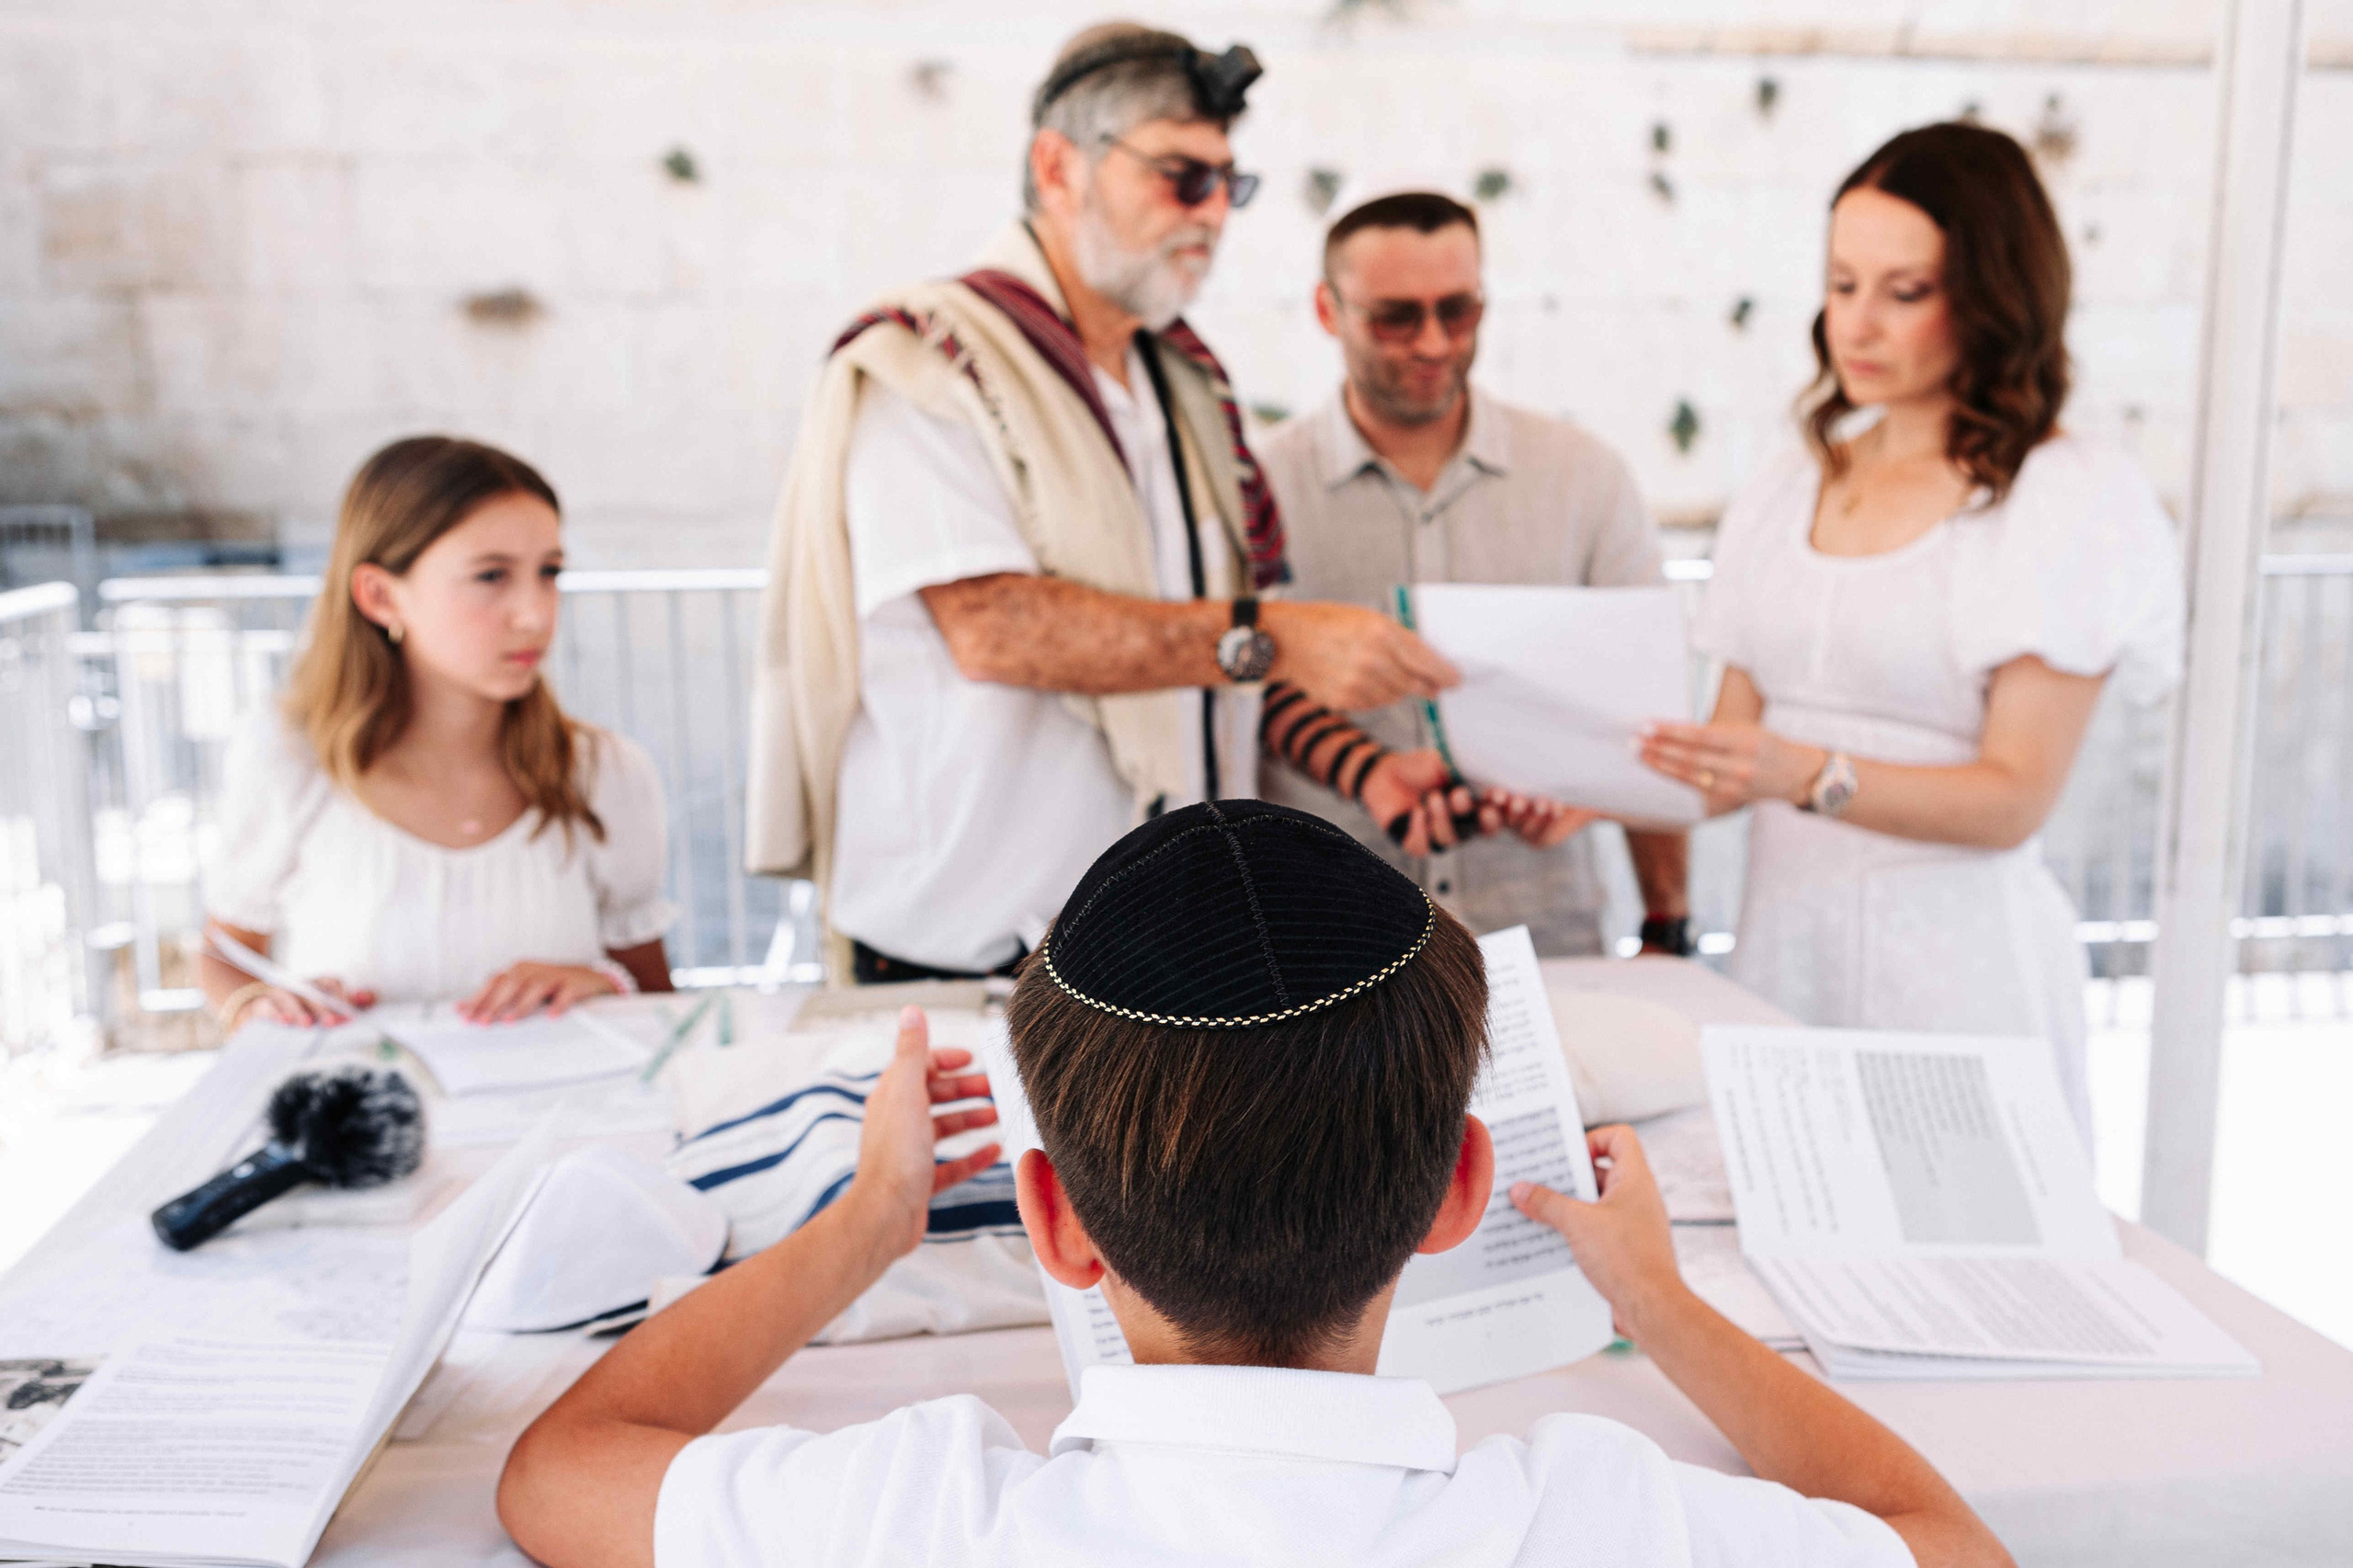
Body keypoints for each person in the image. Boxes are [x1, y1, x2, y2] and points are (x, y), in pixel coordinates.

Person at [496, 800, 2010, 1568]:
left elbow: (559, 1471)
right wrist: (1660, 1305)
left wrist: (866, 1227)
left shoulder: (923, 1518)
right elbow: (1946, 1540)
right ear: (1458, 1189)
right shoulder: (1592, 1523)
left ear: (1055, 1225)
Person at [747, 23, 1475, 985]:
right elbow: (997, 628)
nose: (1213, 213)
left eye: (1230, 184)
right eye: (1181, 175)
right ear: (1060, 167)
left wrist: (1364, 768)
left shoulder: (1183, 385)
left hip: (1160, 952)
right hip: (976, 961)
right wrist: (1276, 633)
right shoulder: (927, 364)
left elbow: (1218, 660)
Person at [1639, 123, 2183, 1141]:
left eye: (1904, 290)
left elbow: (2013, 797)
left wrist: (1803, 774)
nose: (1857, 324)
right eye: (1841, 284)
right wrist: (1565, 783)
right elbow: (1724, 762)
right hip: (1783, 962)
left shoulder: (2063, 498)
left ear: (1990, 294)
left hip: (1962, 982)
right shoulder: (1790, 482)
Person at [1258, 190, 1694, 958]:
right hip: (1327, 950)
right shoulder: (1258, 489)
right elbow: (1236, 689)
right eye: (1396, 317)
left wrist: (1666, 923)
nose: (1433, 343)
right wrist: (1368, 771)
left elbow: (1652, 715)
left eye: (1459, 311)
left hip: (1544, 935)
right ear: (1328, 311)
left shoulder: (1583, 477)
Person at [199, 437, 676, 1030]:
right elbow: (224, 955)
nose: (535, 612)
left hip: (570, 1117)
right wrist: (255, 1006)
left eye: (549, 572)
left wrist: (604, 983)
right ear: (379, 595)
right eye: (491, 575)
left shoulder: (605, 772)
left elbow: (660, 998)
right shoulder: (289, 757)